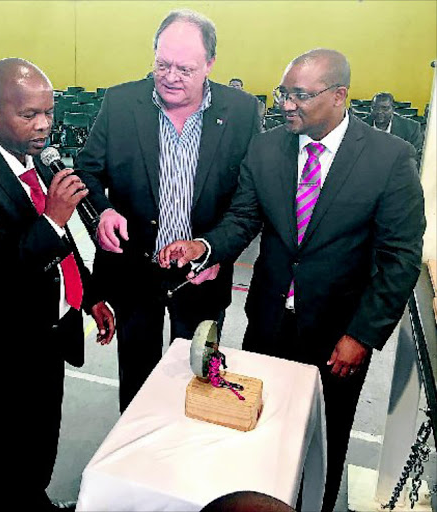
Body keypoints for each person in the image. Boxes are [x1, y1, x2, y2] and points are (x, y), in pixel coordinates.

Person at [158, 49, 425, 511]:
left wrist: (362, 334)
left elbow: (400, 257)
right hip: (268, 322)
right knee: (261, 433)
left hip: (338, 337)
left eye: (301, 95)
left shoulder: (389, 158)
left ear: (339, 96)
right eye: (285, 93)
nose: (287, 104)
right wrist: (205, 248)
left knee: (324, 437)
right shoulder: (266, 148)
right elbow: (243, 218)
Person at [0, 58, 115, 512]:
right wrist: (54, 217)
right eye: (29, 115)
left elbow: (63, 246)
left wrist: (88, 295)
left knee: (37, 446)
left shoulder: (31, 161)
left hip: (43, 340)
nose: (43, 126)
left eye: (49, 113)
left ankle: (32, 496)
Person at [75, 9, 260, 412]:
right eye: (162, 64)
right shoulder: (121, 102)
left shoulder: (243, 112)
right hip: (133, 270)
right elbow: (87, 169)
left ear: (210, 64)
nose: (171, 76)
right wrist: (101, 211)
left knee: (195, 379)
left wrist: (214, 251)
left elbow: (248, 200)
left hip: (201, 274)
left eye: (185, 68)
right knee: (137, 380)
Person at [364, 92, 423, 168]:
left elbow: (413, 159)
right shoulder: (360, 126)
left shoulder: (411, 128)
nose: (379, 111)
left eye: (385, 108)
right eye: (375, 107)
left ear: (393, 109)